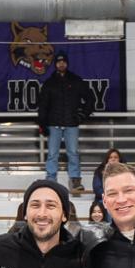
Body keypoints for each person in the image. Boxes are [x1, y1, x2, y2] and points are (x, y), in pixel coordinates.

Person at [36, 53, 94, 191]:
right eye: (58, 62)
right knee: (52, 154)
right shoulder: (49, 83)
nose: (61, 64)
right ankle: (51, 180)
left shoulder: (76, 81)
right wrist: (42, 124)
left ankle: (75, 180)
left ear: (67, 63)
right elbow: (43, 105)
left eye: (63, 62)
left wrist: (81, 116)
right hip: (53, 124)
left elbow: (90, 100)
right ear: (55, 64)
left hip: (71, 124)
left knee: (73, 152)